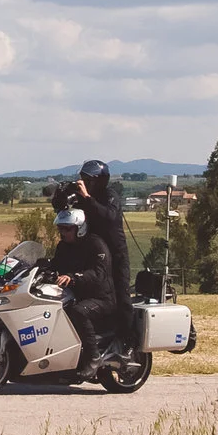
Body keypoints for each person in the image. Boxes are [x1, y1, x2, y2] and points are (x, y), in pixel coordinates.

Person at [51, 157, 132, 349]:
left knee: (121, 297)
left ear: (99, 180)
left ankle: (128, 341)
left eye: (88, 179)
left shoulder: (110, 195)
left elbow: (109, 217)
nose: (84, 182)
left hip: (115, 252)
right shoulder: (82, 196)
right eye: (83, 179)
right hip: (92, 249)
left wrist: (87, 197)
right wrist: (62, 193)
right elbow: (61, 209)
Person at [49, 207, 115, 380]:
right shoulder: (63, 246)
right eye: (60, 228)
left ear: (80, 228)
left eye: (67, 229)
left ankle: (94, 357)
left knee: (79, 311)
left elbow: (98, 273)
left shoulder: (95, 244)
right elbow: (55, 264)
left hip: (101, 298)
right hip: (77, 295)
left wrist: (72, 277)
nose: (63, 233)